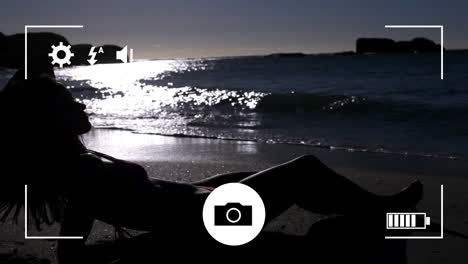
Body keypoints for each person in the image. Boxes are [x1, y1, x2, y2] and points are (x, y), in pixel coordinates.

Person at [0, 67, 422, 264]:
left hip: (208, 211)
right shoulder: (79, 171)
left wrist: (212, 184)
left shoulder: (81, 160)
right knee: (305, 169)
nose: (80, 104)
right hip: (213, 224)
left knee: (259, 180)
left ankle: (369, 218)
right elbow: (72, 251)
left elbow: (148, 199)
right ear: (47, 121)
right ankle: (386, 214)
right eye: (66, 103)